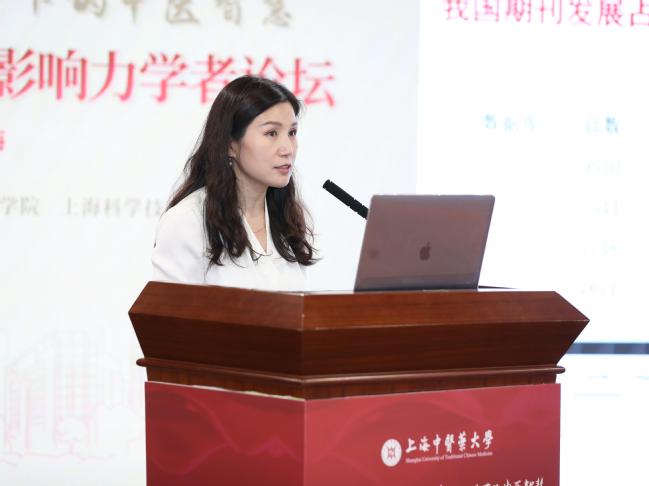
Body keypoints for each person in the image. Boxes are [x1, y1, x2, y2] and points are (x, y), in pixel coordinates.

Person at [151, 76, 316, 291]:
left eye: (292, 133)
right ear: (230, 145)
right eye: (271, 133)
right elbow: (167, 311)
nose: (288, 149)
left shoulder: (289, 218)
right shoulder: (187, 220)